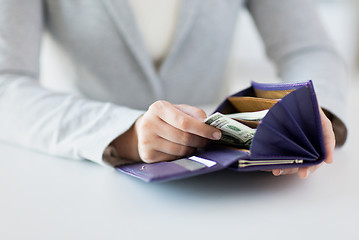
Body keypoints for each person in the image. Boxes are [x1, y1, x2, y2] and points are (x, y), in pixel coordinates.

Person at [0, 0, 347, 178]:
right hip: (77, 173)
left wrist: (310, 111)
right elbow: (6, 81)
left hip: (221, 184)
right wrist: (123, 133)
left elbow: (308, 49)